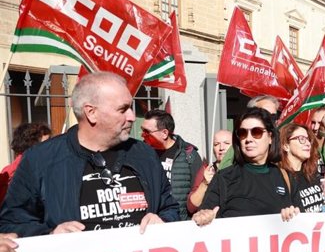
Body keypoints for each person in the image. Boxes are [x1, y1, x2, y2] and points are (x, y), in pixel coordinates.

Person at [0, 72, 179, 236]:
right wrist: (51, 234)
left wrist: (163, 220)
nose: (132, 116)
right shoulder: (40, 159)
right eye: (123, 109)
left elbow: (169, 207)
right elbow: (12, 222)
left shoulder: (144, 154)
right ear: (91, 113)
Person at [192, 108, 292, 224]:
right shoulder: (224, 177)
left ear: (270, 137)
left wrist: (291, 214)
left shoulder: (282, 175)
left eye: (256, 132)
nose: (248, 139)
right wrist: (203, 216)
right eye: (242, 133)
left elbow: (298, 217)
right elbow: (201, 216)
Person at [142, 109, 203, 220]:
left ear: (165, 133)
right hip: (150, 222)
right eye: (142, 130)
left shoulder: (189, 154)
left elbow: (198, 191)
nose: (142, 135)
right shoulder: (142, 154)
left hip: (180, 223)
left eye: (147, 132)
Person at [0, 122, 51, 204]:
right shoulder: (22, 170)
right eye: (46, 143)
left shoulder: (10, 169)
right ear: (32, 144)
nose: (51, 146)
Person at [278, 123, 324, 212]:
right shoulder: (280, 178)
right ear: (286, 146)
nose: (308, 144)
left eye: (308, 139)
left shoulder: (312, 172)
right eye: (301, 139)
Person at [187, 129, 232, 214]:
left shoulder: (242, 168)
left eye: (226, 143)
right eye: (216, 144)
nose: (221, 148)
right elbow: (191, 207)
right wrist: (205, 183)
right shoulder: (207, 170)